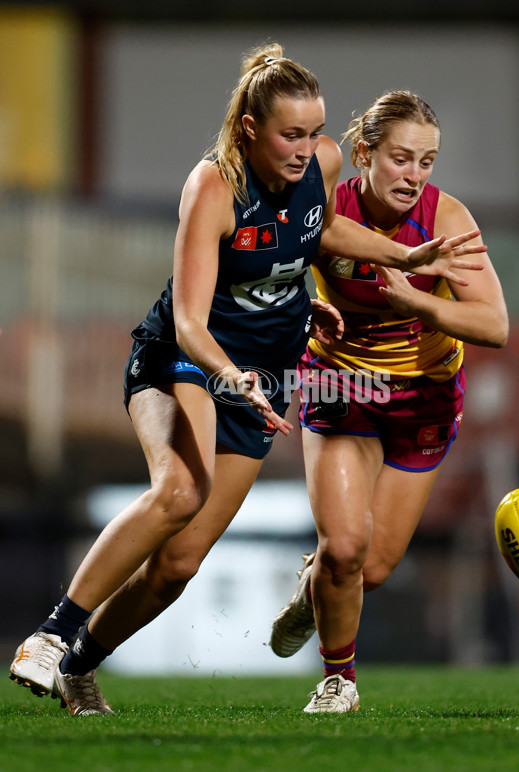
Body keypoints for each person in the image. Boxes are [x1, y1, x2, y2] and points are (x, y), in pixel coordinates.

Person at [10, 50, 485, 716]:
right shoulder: (212, 188)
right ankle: (51, 637)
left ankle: (81, 667)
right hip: (188, 360)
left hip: (261, 377)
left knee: (178, 566)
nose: (308, 148)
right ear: (249, 129)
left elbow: (319, 230)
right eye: (291, 133)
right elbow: (190, 319)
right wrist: (234, 374)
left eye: (315, 130)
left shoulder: (320, 162)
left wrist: (398, 258)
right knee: (180, 490)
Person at [270, 90, 509, 713]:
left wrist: (421, 304)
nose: (414, 175)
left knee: (368, 570)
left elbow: (494, 325)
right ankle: (339, 682)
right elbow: (270, 271)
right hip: (341, 384)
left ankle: (310, 590)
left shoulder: (448, 218)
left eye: (426, 162)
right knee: (345, 549)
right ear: (363, 154)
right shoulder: (322, 208)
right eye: (401, 159)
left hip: (423, 398)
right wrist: (301, 316)